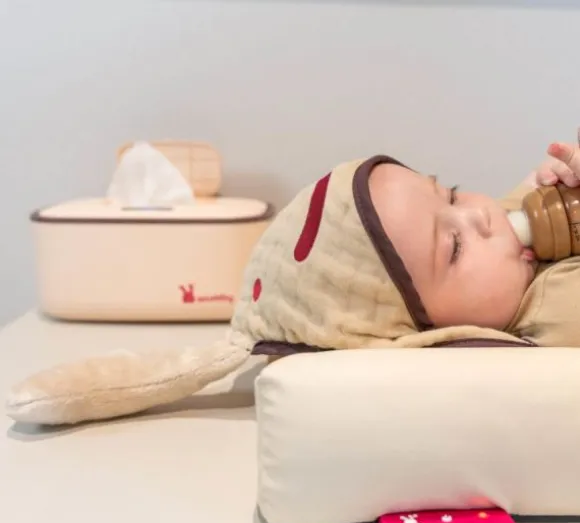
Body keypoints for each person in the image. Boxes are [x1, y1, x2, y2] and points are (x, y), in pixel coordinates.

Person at [6, 134, 580, 427]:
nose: (482, 215)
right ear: (419, 333)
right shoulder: (545, 316)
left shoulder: (511, 240)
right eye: (452, 247)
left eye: (450, 194)